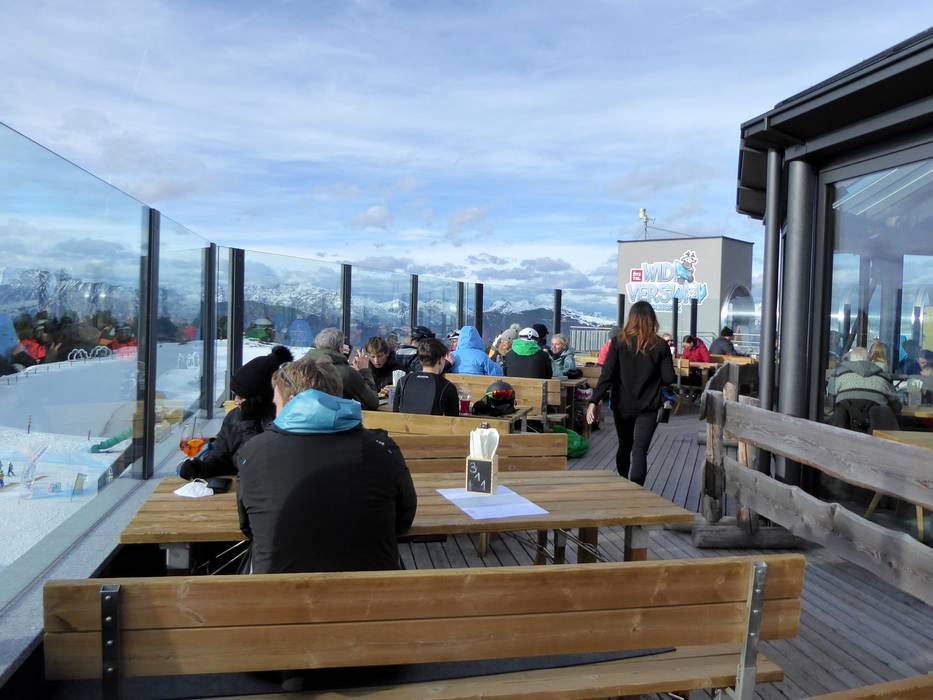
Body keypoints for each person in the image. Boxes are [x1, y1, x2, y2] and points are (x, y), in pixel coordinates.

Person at [236, 354, 417, 574]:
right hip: (372, 590)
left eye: (277, 403)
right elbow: (403, 521)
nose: (275, 410)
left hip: (279, 591)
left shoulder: (254, 452)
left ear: (291, 401)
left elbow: (248, 527)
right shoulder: (382, 449)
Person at [586, 301, 675, 485]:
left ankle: (623, 485)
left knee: (624, 445)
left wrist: (594, 401)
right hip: (649, 406)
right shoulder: (660, 345)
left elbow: (607, 375)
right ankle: (637, 490)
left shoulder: (618, 342)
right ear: (652, 319)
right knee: (640, 451)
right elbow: (668, 378)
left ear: (631, 319)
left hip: (622, 405)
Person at [179, 345, 293, 480]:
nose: (236, 401)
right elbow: (220, 454)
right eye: (235, 395)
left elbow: (262, 464)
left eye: (241, 397)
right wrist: (202, 468)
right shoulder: (234, 417)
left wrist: (248, 424)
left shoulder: (283, 422)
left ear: (260, 397)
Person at [829, 346, 900, 432]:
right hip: (877, 430)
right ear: (869, 360)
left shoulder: (838, 373)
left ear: (850, 360)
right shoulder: (884, 376)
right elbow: (896, 405)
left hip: (843, 428)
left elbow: (830, 400)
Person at [306, 328, 379, 410]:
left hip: (302, 416)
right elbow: (372, 403)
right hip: (333, 417)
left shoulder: (299, 367)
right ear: (340, 348)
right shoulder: (347, 373)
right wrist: (364, 371)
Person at [393, 338, 459, 416]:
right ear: (441, 360)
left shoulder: (403, 381)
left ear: (420, 360)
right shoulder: (447, 386)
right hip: (434, 424)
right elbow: (454, 418)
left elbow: (395, 412)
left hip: (403, 424)